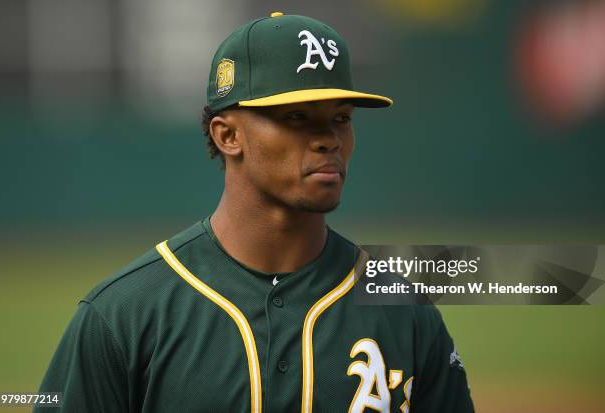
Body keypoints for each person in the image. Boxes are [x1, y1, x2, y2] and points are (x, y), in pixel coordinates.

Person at [36, 12, 474, 413]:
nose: (329, 139)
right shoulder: (123, 316)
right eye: (298, 116)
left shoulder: (407, 313)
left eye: (341, 118)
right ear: (228, 136)